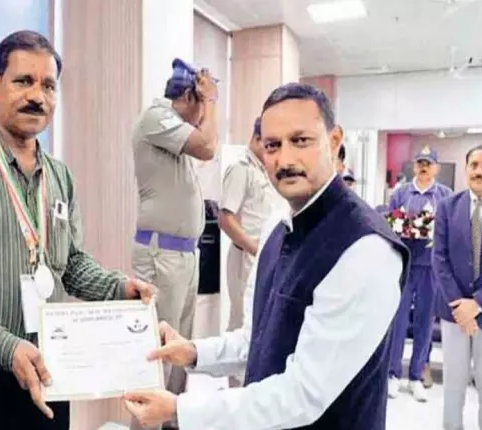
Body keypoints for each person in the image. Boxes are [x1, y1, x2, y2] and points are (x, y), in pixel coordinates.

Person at [122, 82, 409, 430]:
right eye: (273, 145)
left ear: (334, 141)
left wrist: (180, 409)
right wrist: (194, 352)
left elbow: (302, 395)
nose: (284, 160)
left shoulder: (365, 249)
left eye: (300, 141)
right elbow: (257, 340)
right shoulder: (278, 228)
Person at [0, 30, 153, 430]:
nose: (37, 96)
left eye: (48, 86)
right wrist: (4, 347)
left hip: (49, 372)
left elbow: (70, 264)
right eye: (23, 81)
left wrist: (118, 287)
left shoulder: (60, 176)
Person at [130, 58, 218, 430]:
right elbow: (208, 146)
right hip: (160, 255)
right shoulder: (156, 118)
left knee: (180, 353)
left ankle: (171, 424)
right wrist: (210, 99)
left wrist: (205, 104)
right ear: (188, 97)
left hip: (182, 255)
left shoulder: (174, 130)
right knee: (158, 356)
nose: (203, 116)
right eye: (201, 105)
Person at [433, 144, 482, 430]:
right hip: (453, 313)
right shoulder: (447, 207)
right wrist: (461, 307)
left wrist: (477, 304)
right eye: (474, 165)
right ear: (466, 169)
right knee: (452, 390)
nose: (479, 171)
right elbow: (439, 258)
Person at [386, 146, 452, 401]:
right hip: (404, 265)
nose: (424, 167)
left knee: (424, 321)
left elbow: (448, 230)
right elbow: (389, 225)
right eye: (420, 163)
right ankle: (393, 374)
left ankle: (415, 376)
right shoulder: (401, 193)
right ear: (414, 166)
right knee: (399, 320)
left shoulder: (445, 196)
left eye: (428, 163)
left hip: (430, 267)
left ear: (436, 168)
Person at [219, 117, 287, 334]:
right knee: (243, 322)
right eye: (269, 144)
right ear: (257, 138)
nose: (273, 151)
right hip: (246, 256)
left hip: (268, 254)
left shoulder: (267, 170)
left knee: (262, 321)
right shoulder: (241, 169)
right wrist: (256, 249)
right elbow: (225, 218)